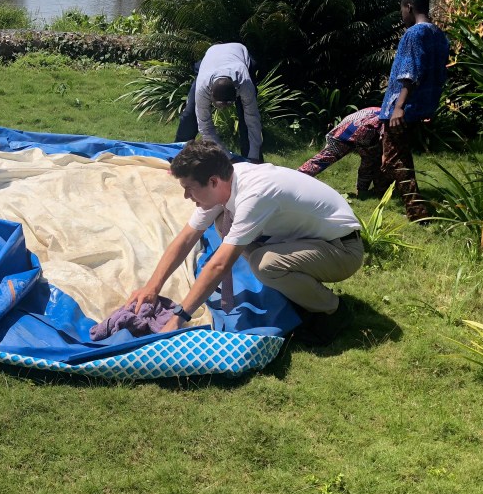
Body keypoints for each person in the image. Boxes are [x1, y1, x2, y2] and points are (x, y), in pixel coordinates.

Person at [127, 140, 364, 346]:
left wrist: (178, 318)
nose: (186, 196)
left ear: (213, 181)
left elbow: (220, 265)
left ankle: (333, 310)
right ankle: (298, 290)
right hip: (311, 240)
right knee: (224, 223)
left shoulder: (253, 195)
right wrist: (152, 287)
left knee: (265, 264)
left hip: (342, 250)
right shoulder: (227, 180)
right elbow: (187, 238)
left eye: (189, 188)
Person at [379, 0, 449, 221]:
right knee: (395, 155)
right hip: (422, 106)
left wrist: (398, 107)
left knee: (396, 159)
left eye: (402, 10)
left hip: (403, 108)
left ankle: (417, 211)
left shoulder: (414, 34)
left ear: (409, 7)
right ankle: (382, 190)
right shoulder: (438, 34)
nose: (402, 16)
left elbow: (410, 73)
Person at [174, 42, 263, 163]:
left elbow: (253, 119)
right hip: (211, 60)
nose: (224, 109)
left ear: (236, 92)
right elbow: (205, 127)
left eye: (228, 103)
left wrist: (254, 156)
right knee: (190, 116)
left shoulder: (245, 84)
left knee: (246, 120)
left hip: (240, 57)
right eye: (219, 104)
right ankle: (179, 157)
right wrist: (227, 157)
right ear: (210, 94)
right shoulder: (203, 88)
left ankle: (253, 162)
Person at [297, 107, 386, 198]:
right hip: (361, 129)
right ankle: (364, 191)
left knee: (324, 157)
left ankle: (296, 177)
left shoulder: (383, 109)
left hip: (348, 125)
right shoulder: (390, 117)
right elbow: (384, 139)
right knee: (369, 161)